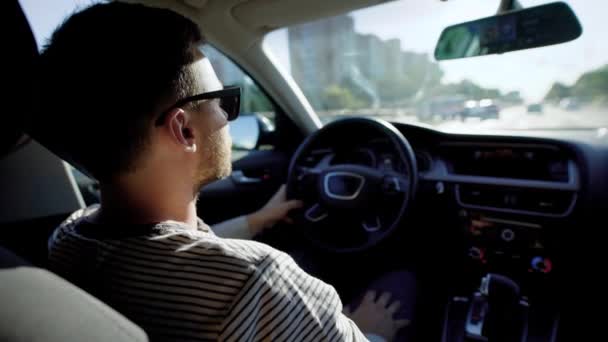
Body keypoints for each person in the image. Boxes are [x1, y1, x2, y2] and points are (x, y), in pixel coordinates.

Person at [38, 2, 413, 341]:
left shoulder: (69, 238)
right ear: (184, 130)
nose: (228, 117)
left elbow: (165, 250)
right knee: (402, 285)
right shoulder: (255, 283)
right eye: (222, 102)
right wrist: (370, 331)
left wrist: (257, 219)